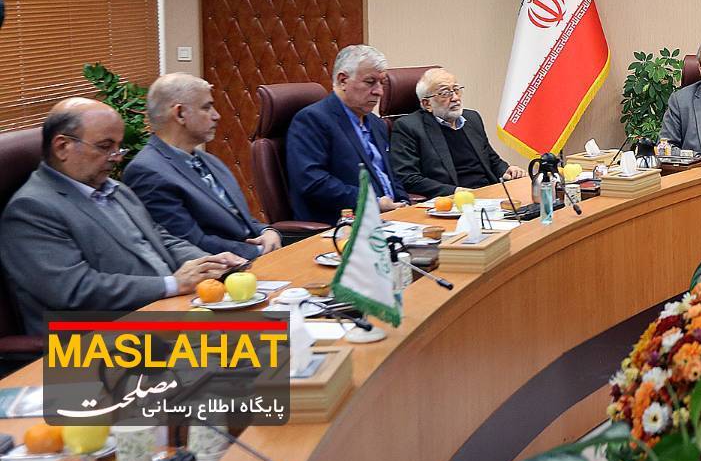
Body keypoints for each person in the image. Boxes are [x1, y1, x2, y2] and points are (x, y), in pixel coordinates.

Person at [0, 99, 243, 335]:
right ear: (62, 147)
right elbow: (75, 290)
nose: (117, 157)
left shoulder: (115, 189)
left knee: (261, 331)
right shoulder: (32, 209)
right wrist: (173, 284)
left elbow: (162, 239)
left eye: (118, 147)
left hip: (165, 315)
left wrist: (207, 264)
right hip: (96, 342)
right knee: (251, 350)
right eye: (105, 146)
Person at [124, 74, 282, 258]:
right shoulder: (147, 171)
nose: (217, 116)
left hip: (253, 258)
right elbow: (189, 243)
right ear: (180, 114)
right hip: (220, 268)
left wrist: (267, 231)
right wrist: (259, 251)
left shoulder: (208, 160)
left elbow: (239, 220)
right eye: (207, 107)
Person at [286, 44, 408, 224]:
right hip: (343, 226)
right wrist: (372, 203)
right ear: (343, 80)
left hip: (391, 219)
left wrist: (404, 202)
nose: (379, 91)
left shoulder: (376, 123)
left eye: (382, 83)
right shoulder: (312, 120)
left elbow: (390, 174)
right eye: (370, 82)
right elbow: (313, 182)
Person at [390, 67, 523, 198]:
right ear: (427, 104)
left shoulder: (472, 118)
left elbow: (491, 159)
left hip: (489, 194)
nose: (455, 98)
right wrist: (455, 191)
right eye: (445, 93)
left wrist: (506, 170)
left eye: (456, 90)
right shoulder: (408, 127)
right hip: (453, 201)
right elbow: (408, 178)